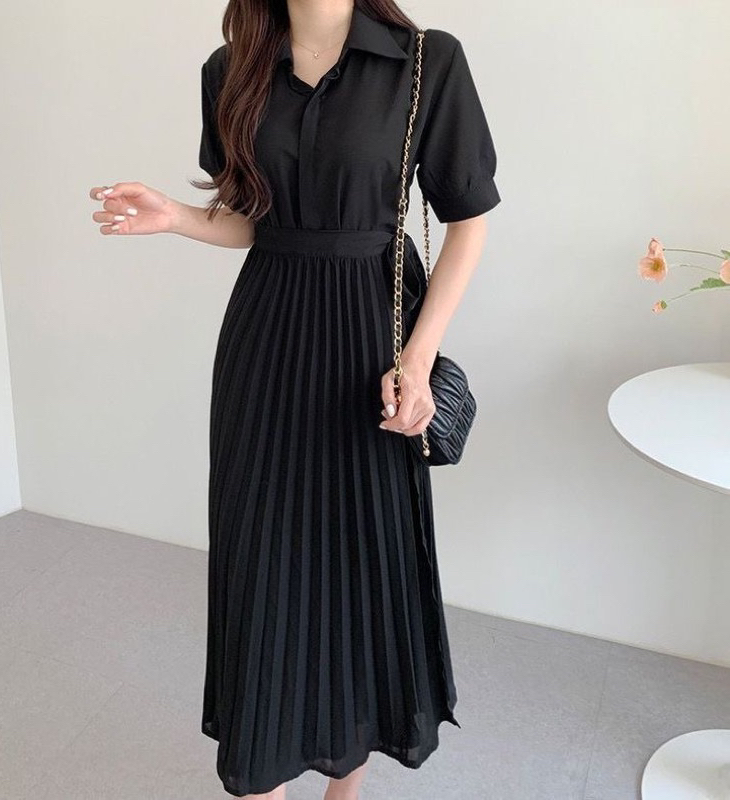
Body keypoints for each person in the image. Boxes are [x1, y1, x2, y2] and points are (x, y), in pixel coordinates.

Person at [89, 1, 500, 797]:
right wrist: (178, 217)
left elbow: (469, 221)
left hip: (371, 343)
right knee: (262, 566)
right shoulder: (229, 70)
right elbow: (254, 220)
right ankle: (264, 771)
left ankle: (346, 783)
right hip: (267, 342)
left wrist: (417, 361)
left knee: (360, 563)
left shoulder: (427, 62)